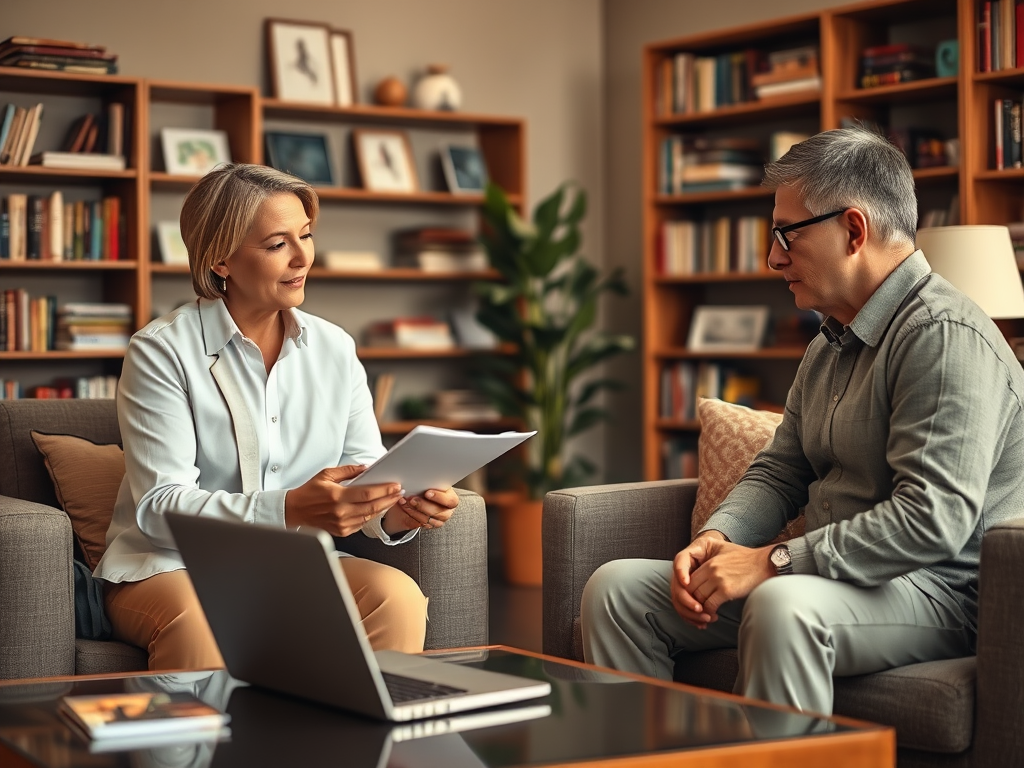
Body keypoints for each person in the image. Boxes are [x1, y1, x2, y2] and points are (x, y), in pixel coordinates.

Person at [580, 126, 1024, 716]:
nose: (772, 257)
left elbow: (932, 520)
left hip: (934, 590)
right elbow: (779, 472)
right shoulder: (829, 344)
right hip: (834, 579)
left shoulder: (943, 337)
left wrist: (773, 562)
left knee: (782, 604)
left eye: (786, 234)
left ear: (854, 230)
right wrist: (720, 539)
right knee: (617, 591)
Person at [94, 163, 459, 671]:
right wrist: (290, 509)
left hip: (295, 564)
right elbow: (159, 507)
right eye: (276, 244)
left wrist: (399, 509)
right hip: (170, 566)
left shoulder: (334, 348)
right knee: (201, 619)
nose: (302, 257)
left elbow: (364, 472)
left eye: (306, 236)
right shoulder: (161, 351)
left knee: (395, 596)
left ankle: (361, 749)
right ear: (220, 259)